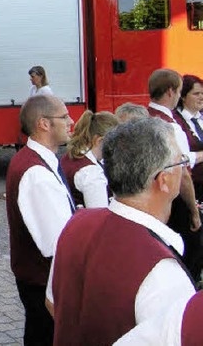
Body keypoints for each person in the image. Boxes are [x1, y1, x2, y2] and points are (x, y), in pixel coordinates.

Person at [46, 118, 196, 345]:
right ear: (163, 180)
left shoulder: (75, 224)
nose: (183, 167)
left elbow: (52, 303)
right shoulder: (164, 274)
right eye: (180, 161)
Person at [5, 94, 75, 346]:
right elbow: (58, 244)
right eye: (64, 116)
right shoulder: (36, 173)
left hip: (38, 279)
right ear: (44, 124)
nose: (71, 121)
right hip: (44, 282)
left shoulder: (34, 161)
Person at [146, 69, 203, 282]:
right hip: (175, 197)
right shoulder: (170, 125)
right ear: (171, 92)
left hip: (154, 194)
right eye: (179, 91)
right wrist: (193, 211)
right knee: (190, 250)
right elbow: (183, 173)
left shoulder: (146, 116)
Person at [60, 110, 118, 208]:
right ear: (99, 141)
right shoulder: (91, 174)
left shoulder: (71, 156)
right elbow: (99, 217)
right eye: (115, 142)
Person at [174, 74, 203, 198]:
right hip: (192, 188)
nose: (201, 97)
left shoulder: (201, 118)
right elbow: (181, 158)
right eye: (196, 94)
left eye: (202, 93)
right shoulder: (175, 121)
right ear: (183, 96)